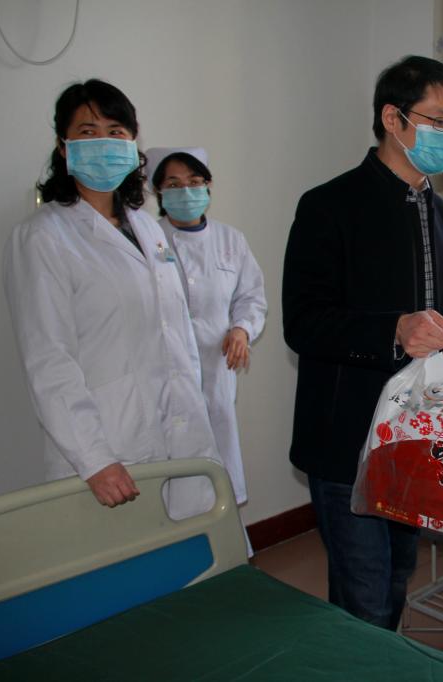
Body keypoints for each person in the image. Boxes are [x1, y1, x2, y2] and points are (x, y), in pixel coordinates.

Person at [282, 55, 443, 630]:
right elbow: (304, 322)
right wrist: (392, 330)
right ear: (393, 119)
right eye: (439, 121)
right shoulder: (328, 206)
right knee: (365, 596)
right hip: (347, 439)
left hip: (416, 439)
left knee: (397, 577)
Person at [4, 79, 217, 520]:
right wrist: (95, 458)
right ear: (63, 147)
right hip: (109, 452)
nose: (104, 141)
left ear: (132, 143)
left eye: (116, 131)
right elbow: (49, 359)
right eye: (88, 131)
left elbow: (173, 333)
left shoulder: (148, 227)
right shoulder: (43, 236)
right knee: (125, 560)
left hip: (182, 434)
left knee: (187, 554)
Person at [145, 146, 267, 538]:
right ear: (158, 191)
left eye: (194, 182)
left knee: (218, 462)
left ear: (208, 185)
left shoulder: (231, 240)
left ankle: (226, 548)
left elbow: (251, 297)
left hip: (216, 372)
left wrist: (241, 329)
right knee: (171, 473)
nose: (185, 191)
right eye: (173, 184)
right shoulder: (145, 240)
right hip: (163, 376)